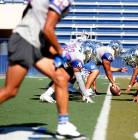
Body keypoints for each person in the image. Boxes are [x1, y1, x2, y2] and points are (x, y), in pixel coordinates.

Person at [0, 0, 86, 139]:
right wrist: (60, 52)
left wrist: (46, 46)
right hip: (25, 42)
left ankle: (63, 125)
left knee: (61, 77)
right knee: (10, 90)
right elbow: (48, 28)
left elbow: (28, 14)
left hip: (33, 42)